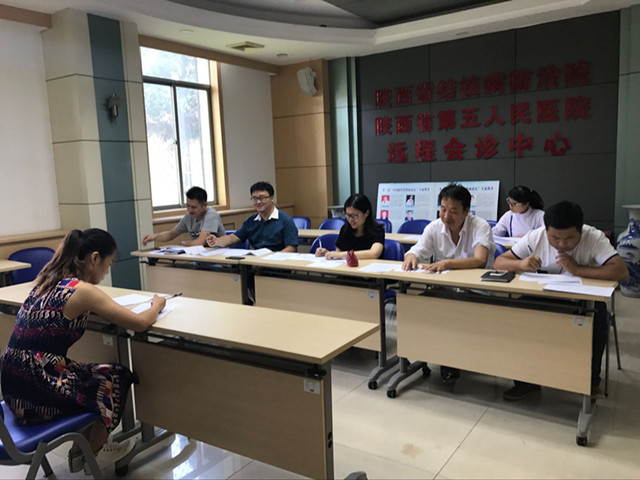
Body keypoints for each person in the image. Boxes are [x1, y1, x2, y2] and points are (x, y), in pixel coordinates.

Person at [0, 229, 166, 473]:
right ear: (94, 258)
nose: (107, 271)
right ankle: (95, 453)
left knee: (90, 376)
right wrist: (157, 305)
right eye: (108, 264)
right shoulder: (82, 291)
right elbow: (140, 323)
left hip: (13, 387)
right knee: (114, 377)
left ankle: (82, 451)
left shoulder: (45, 282)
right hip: (37, 391)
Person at [494, 201, 629, 400]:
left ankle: (590, 382)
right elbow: (499, 262)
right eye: (555, 238)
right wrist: (521, 263)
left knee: (597, 315)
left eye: (569, 238)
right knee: (519, 312)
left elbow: (621, 272)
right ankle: (526, 380)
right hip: (544, 296)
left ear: (581, 230)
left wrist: (578, 270)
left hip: (581, 299)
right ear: (546, 230)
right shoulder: (536, 236)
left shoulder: (594, 237)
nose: (562, 244)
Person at [402, 183, 495, 384]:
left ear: (466, 211)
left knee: (451, 311)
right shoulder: (434, 227)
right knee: (415, 305)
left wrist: (447, 263)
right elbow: (416, 250)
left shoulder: (480, 226)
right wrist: (411, 257)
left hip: (476, 290)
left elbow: (480, 260)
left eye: (453, 211)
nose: (446, 216)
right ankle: (421, 353)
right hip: (445, 288)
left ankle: (450, 361)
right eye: (443, 209)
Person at [206, 181, 298, 252]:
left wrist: (272, 259)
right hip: (257, 263)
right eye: (254, 198)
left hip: (278, 265)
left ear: (272, 198)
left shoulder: (285, 221)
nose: (258, 202)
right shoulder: (250, 221)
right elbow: (233, 238)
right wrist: (217, 241)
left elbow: (291, 248)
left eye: (262, 198)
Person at [141, 186, 225, 247]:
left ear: (205, 205)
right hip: (201, 257)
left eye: (194, 207)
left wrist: (183, 244)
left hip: (217, 257)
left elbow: (200, 242)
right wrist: (154, 237)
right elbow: (170, 234)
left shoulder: (211, 216)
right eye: (188, 206)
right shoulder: (189, 216)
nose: (190, 210)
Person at [315, 193, 385, 260]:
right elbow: (338, 253)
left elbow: (374, 253)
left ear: (366, 213)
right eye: (348, 215)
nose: (350, 219)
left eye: (354, 216)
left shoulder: (377, 231)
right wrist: (327, 253)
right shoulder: (345, 229)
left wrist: (342, 254)